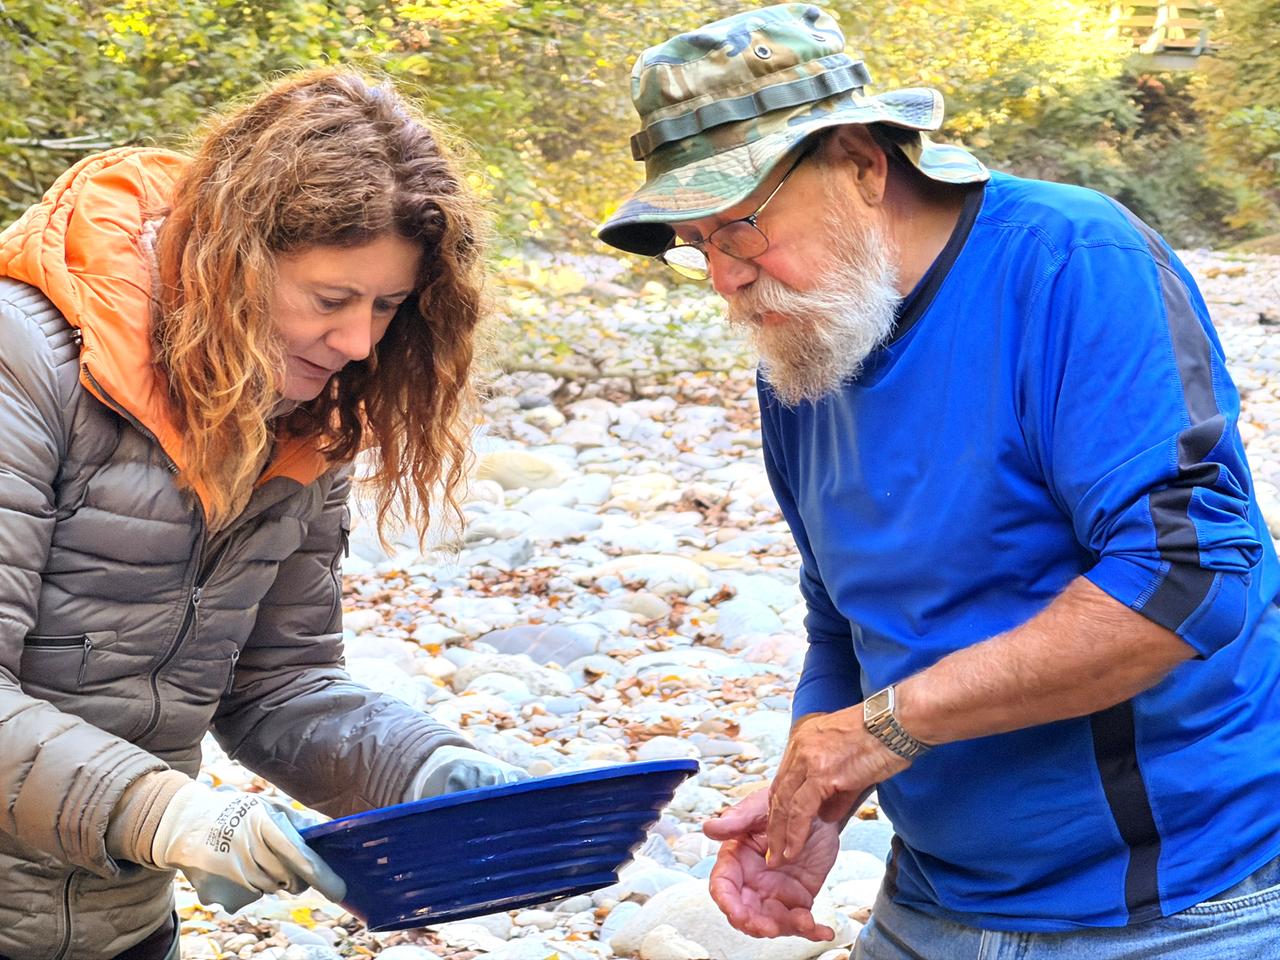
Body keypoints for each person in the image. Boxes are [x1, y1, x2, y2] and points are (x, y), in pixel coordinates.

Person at [596, 5, 1280, 958]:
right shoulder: (808, 345)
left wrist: (881, 730)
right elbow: (843, 617)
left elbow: (1186, 581)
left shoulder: (1072, 263)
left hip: (1178, 905)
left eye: (739, 229)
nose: (723, 277)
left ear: (864, 166)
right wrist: (819, 790)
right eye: (695, 243)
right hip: (933, 894)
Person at [0, 69, 526, 960]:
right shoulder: (27, 361)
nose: (359, 342)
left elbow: (276, 684)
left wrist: (426, 771)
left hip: (114, 929)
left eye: (387, 307)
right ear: (230, 256)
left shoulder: (304, 417)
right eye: (331, 300)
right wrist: (170, 814)